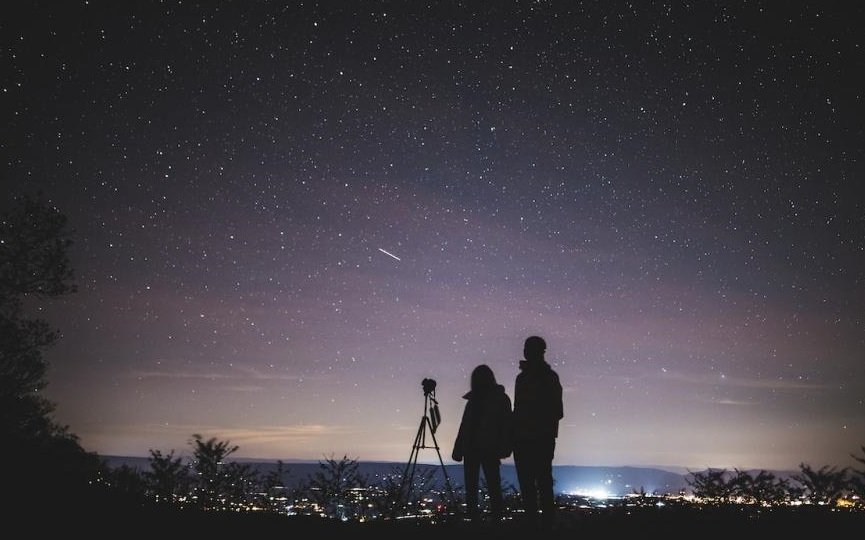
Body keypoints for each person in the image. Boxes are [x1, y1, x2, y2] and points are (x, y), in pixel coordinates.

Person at [512, 335, 563, 528]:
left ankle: (542, 527)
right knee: (533, 485)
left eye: (529, 349)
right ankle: (535, 526)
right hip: (530, 438)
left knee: (540, 483)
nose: (526, 352)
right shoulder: (523, 378)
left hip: (539, 438)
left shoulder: (546, 378)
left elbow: (556, 411)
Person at [451, 364, 513, 521]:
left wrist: (458, 449)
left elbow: (506, 425)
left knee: (488, 487)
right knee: (484, 487)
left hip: (486, 449)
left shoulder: (490, 400)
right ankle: (484, 521)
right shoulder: (493, 400)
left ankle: (488, 522)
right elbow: (465, 426)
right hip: (480, 448)